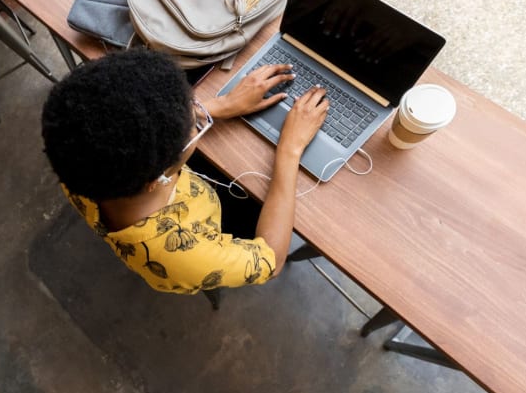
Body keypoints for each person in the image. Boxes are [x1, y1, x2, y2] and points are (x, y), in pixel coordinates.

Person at [41, 48, 329, 295]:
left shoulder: (79, 158)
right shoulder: (184, 255)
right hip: (213, 221)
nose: (199, 114)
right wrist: (289, 150)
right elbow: (272, 261)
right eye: (195, 126)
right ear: (158, 178)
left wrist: (220, 105)